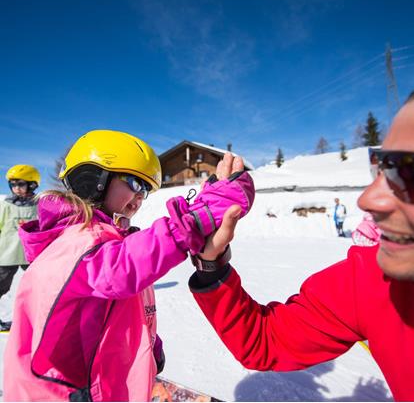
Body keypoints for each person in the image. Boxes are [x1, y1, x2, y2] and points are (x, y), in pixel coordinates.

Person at [188, 93, 414, 401]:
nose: (367, 199)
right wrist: (210, 262)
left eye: (410, 170)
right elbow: (267, 340)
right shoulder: (373, 281)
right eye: (385, 167)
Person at [3, 129, 254, 402]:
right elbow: (123, 269)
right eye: (135, 183)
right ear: (93, 179)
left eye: (145, 190)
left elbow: (116, 306)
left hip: (95, 376)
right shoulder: (75, 242)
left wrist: (148, 346)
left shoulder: (108, 239)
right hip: (63, 393)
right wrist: (198, 217)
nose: (140, 197)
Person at [0, 164, 40, 332]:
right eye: (13, 185)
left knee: (39, 285)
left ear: (31, 185)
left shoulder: (38, 205)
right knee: (1, 286)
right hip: (7, 254)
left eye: (21, 184)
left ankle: (38, 319)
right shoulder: (6, 205)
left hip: (31, 255)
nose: (16, 188)